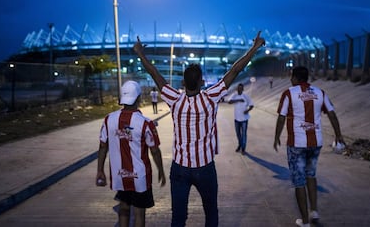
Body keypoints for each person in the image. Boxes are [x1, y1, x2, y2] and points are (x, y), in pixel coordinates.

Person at [134, 32, 265, 227]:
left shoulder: (174, 99)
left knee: (178, 217)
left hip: (180, 167)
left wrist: (140, 54)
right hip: (205, 167)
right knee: (211, 213)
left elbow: (155, 74)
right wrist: (253, 48)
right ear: (202, 82)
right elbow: (235, 70)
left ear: (183, 83)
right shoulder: (210, 97)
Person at [273, 66, 345, 227]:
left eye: (292, 77)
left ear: (296, 78)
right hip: (315, 143)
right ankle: (314, 211)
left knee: (299, 182)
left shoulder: (289, 93)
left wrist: (277, 136)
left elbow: (281, 117)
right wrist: (338, 135)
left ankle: (305, 222)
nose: (290, 80)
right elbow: (332, 114)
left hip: (296, 144)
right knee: (311, 175)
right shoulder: (320, 92)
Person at [96, 80, 166, 227]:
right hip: (139, 176)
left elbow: (103, 147)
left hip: (119, 175)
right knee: (139, 213)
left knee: (124, 208)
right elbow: (154, 150)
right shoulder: (145, 123)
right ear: (139, 98)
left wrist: (100, 170)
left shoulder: (109, 119)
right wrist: (161, 170)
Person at [228, 83, 254, 154]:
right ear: (237, 89)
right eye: (238, 88)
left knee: (244, 134)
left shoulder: (246, 96)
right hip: (236, 119)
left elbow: (252, 105)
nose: (239, 90)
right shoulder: (234, 95)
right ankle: (240, 144)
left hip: (244, 119)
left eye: (241, 88)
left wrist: (247, 110)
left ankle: (243, 148)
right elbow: (229, 102)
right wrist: (238, 100)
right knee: (238, 134)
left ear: (243, 89)